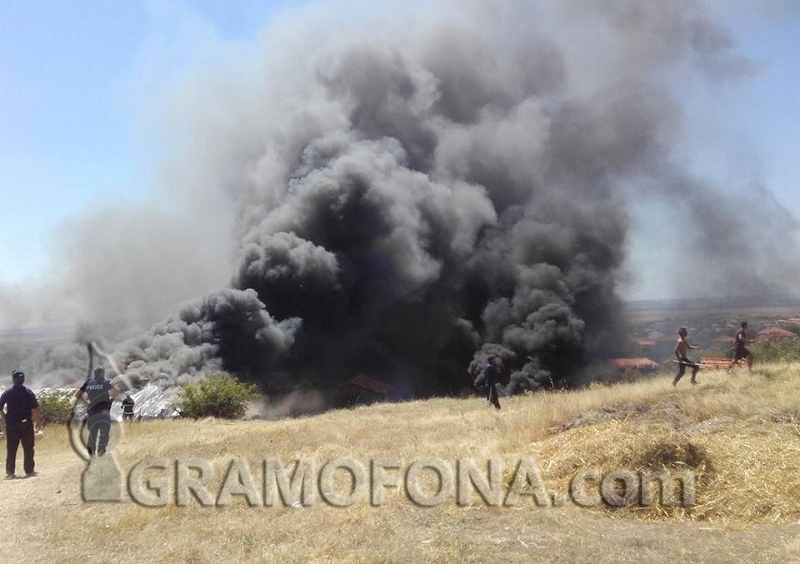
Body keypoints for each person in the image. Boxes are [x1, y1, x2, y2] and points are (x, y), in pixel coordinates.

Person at [0, 370, 41, 479]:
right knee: (28, 448)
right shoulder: (28, 392)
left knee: (11, 448)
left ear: (13, 380)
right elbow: (35, 409)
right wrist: (38, 422)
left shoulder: (7, 393)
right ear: (23, 380)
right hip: (26, 424)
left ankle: (10, 472)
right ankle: (29, 470)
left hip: (12, 424)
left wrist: (4, 417)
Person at [73, 367, 120, 457]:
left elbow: (77, 394)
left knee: (92, 432)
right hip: (104, 410)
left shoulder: (88, 383)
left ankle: (91, 452)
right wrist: (111, 400)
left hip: (92, 410)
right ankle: (101, 451)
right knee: (104, 432)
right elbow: (117, 390)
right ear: (102, 373)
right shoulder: (106, 382)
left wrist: (86, 402)